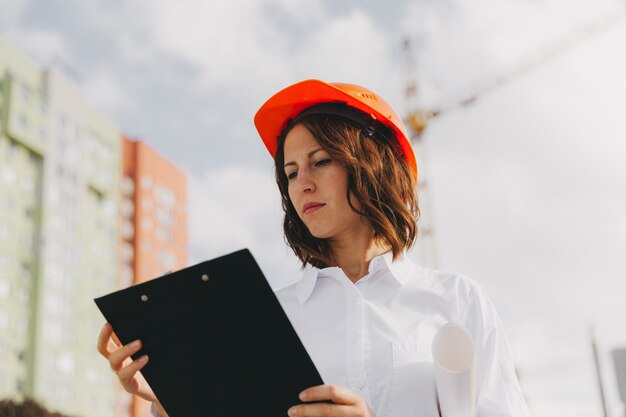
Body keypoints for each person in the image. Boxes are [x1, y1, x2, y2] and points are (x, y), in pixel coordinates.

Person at [97, 79, 530, 417]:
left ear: (373, 166)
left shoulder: (456, 301)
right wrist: (173, 397)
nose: (301, 182)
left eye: (320, 161)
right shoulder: (265, 316)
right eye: (290, 172)